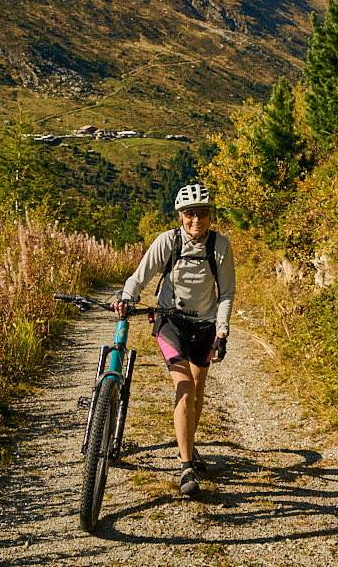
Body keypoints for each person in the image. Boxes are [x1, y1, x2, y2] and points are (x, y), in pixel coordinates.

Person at [113, 183, 235, 496]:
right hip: (170, 321)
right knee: (184, 387)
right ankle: (186, 468)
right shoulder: (168, 241)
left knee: (197, 392)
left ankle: (188, 447)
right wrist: (128, 297)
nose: (197, 219)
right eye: (190, 213)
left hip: (206, 327)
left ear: (210, 214)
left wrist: (222, 331)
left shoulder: (220, 246)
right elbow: (139, 277)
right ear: (181, 215)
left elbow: (226, 293)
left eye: (203, 213)